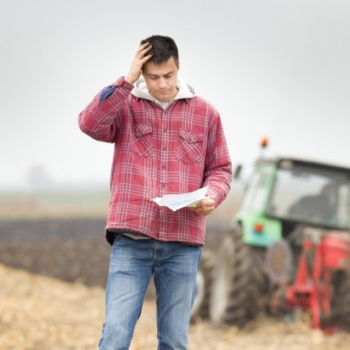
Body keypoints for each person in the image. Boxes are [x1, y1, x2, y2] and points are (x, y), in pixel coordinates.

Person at [78, 35, 232, 350]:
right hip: (132, 240)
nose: (162, 84)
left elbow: (221, 169)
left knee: (174, 342)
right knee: (115, 336)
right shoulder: (124, 106)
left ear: (178, 69)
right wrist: (126, 80)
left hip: (183, 244)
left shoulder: (206, 113)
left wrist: (212, 196)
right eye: (153, 77)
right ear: (143, 73)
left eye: (168, 75)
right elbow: (89, 124)